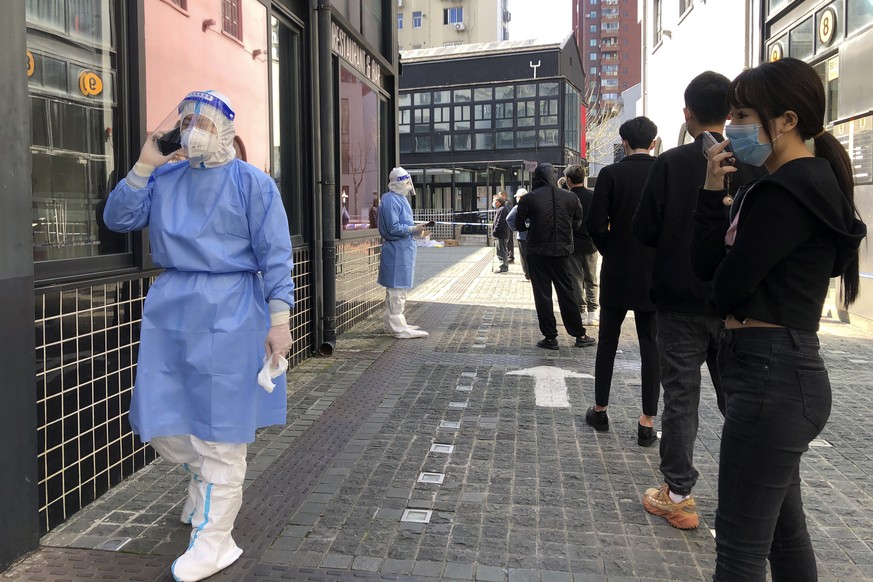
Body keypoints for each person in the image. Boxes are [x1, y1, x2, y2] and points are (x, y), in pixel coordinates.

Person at [103, 90, 295, 582]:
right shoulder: (165, 177)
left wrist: (280, 320)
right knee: (165, 420)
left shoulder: (253, 184)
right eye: (185, 120)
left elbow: (275, 253)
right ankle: (203, 483)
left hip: (233, 311)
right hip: (172, 308)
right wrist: (144, 165)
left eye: (202, 121)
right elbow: (118, 219)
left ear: (226, 128)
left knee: (221, 430)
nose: (191, 128)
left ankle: (215, 539)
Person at [691, 57, 865, 581]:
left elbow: (724, 289)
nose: (734, 127)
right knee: (785, 540)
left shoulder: (787, 192)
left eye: (744, 114)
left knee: (740, 551)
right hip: (778, 375)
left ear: (785, 121)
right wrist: (708, 194)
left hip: (771, 376)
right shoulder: (782, 186)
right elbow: (708, 270)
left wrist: (724, 254)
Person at [633, 71, 763, 529]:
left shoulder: (668, 165)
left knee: (681, 397)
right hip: (734, 306)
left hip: (678, 299)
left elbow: (645, 230)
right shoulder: (755, 164)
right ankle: (752, 494)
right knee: (738, 399)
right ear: (730, 114)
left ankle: (679, 495)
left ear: (687, 114)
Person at [586, 117, 660, 447]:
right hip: (653, 271)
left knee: (608, 343)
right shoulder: (663, 169)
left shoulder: (611, 174)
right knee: (650, 346)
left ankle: (600, 409)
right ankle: (647, 421)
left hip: (617, 270)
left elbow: (596, 224)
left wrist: (611, 249)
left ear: (624, 143)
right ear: (654, 142)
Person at [515, 163, 595, 349]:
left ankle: (550, 337)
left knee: (543, 295)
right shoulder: (570, 197)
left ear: (536, 178)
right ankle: (579, 334)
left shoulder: (529, 199)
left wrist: (530, 227)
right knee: (567, 293)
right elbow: (577, 220)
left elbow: (519, 224)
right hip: (562, 252)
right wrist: (565, 231)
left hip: (537, 252)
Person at [378, 167, 429, 339]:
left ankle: (392, 324)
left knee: (396, 290)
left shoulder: (396, 199)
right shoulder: (391, 200)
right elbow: (393, 228)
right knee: (397, 291)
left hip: (401, 249)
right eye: (406, 183)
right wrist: (413, 228)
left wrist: (416, 230)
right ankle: (398, 328)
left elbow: (401, 225)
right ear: (399, 183)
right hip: (397, 251)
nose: (408, 186)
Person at [564, 164, 599, 325]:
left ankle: (581, 311)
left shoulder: (567, 197)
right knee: (591, 278)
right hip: (591, 243)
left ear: (569, 180)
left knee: (576, 279)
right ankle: (593, 312)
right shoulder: (593, 196)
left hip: (573, 244)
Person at [506, 188, 530, 279]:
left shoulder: (518, 207)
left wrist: (515, 228)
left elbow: (509, 219)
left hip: (522, 236)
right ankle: (532, 274)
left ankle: (527, 274)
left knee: (524, 257)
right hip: (532, 236)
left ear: (519, 197)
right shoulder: (532, 206)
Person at [492, 194, 510, 273]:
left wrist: (495, 231)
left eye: (494, 201)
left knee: (501, 250)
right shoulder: (501, 209)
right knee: (501, 250)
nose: (493, 203)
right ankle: (504, 266)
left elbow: (500, 223)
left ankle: (503, 267)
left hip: (501, 235)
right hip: (501, 234)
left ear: (498, 202)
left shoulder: (502, 209)